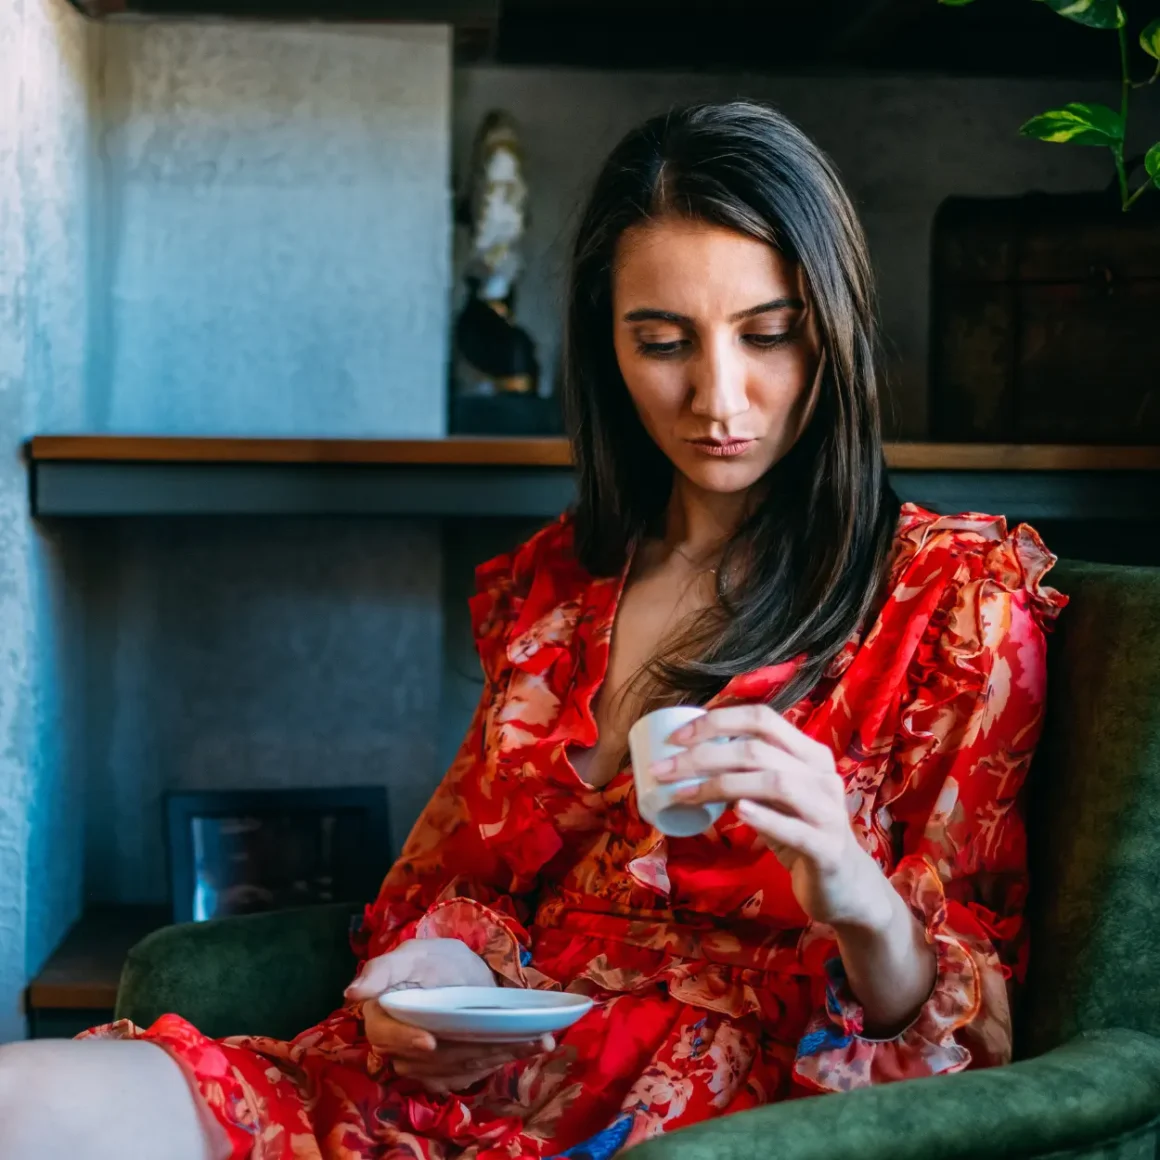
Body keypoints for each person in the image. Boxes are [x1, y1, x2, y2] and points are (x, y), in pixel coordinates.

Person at [0, 101, 1065, 1160]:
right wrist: (436, 978)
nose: (718, 395)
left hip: (712, 1122)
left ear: (831, 325)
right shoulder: (555, 586)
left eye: (768, 333)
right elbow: (452, 885)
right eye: (661, 341)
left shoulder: (952, 603)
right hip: (447, 1090)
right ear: (605, 347)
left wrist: (853, 891)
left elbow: (967, 1051)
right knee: (22, 1099)